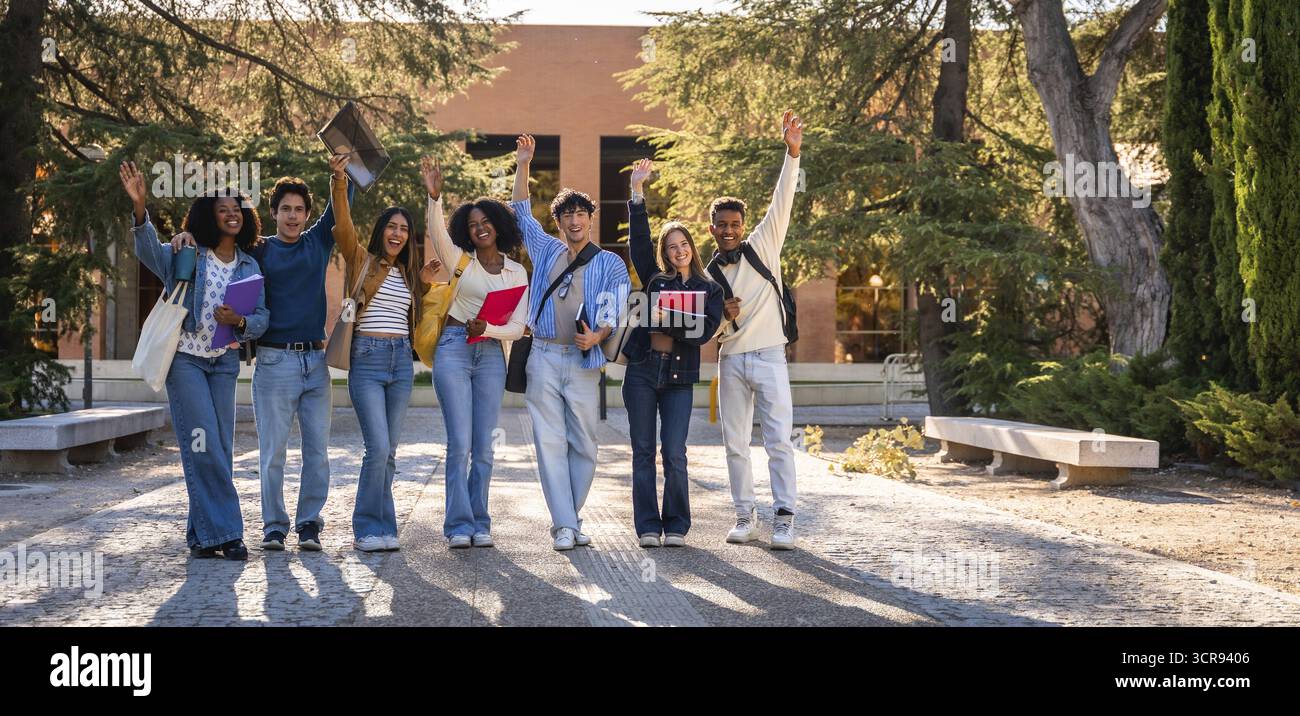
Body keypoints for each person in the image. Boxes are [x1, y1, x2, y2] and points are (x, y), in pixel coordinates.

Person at [172, 159, 355, 551]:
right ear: (273, 213)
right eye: (285, 209)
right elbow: (216, 234)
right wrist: (185, 234)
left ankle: (309, 524)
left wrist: (340, 177)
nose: (293, 216)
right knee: (272, 453)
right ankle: (274, 526)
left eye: (299, 210)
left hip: (316, 362)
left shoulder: (318, 242)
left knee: (317, 452)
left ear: (307, 215)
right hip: (273, 362)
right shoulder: (258, 252)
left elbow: (340, 211)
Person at [120, 161, 269, 561]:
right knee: (201, 444)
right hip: (186, 360)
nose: (232, 214)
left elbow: (261, 318)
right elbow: (150, 252)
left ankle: (201, 536)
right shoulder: (188, 252)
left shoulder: (250, 265)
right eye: (223, 209)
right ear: (209, 216)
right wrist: (140, 209)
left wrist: (239, 321)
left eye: (237, 208)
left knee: (216, 447)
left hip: (223, 364)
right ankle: (229, 533)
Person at [510, 134, 631, 551]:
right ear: (559, 222)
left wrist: (598, 334)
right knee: (548, 442)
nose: (575, 221)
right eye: (568, 216)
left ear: (590, 220)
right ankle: (564, 525)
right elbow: (521, 213)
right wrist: (524, 163)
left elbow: (616, 310)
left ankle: (570, 518)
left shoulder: (610, 262)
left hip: (585, 360)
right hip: (542, 355)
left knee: (585, 445)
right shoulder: (545, 250)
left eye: (581, 214)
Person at [420, 156, 529, 549]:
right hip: (453, 350)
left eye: (486, 223)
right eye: (472, 225)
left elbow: (518, 327)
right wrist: (434, 198)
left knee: (484, 445)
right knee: (460, 443)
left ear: (498, 226)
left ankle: (480, 521)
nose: (480, 229)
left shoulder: (517, 271)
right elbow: (436, 232)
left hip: (490, 356)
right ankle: (457, 526)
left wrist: (490, 329)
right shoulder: (460, 261)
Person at [709, 110, 805, 550]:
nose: (729, 231)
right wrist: (721, 317)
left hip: (769, 354)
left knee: (779, 441)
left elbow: (782, 198)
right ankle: (744, 515)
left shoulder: (765, 243)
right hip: (730, 360)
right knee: (734, 445)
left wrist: (792, 152)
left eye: (735, 225)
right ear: (712, 229)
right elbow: (703, 329)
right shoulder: (706, 271)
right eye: (722, 226)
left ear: (743, 227)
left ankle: (783, 517)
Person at [622, 159, 724, 549]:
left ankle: (677, 525)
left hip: (680, 378)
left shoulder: (709, 288)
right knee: (643, 451)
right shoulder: (654, 280)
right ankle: (648, 526)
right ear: (665, 252)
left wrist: (668, 317)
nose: (678, 251)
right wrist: (637, 193)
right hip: (644, 372)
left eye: (683, 245)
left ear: (692, 249)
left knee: (675, 452)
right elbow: (636, 244)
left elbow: (701, 334)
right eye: (671, 246)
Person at [327, 154, 426, 552]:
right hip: (366, 359)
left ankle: (386, 528)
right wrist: (338, 180)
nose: (397, 233)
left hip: (401, 361)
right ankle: (367, 528)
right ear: (381, 230)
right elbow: (343, 225)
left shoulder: (409, 274)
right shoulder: (361, 260)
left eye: (404, 229)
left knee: (390, 452)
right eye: (392, 226)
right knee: (378, 447)